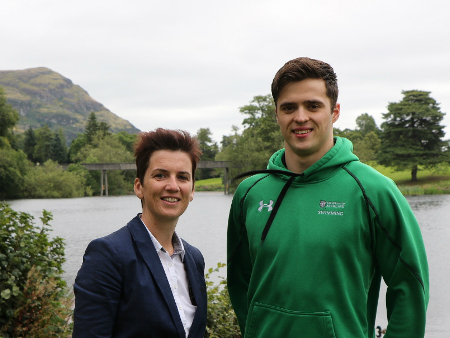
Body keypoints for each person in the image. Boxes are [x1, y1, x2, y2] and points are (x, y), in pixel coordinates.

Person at [227, 57, 429, 338]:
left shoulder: (374, 191)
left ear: (334, 112)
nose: (300, 117)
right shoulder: (250, 193)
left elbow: (409, 286)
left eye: (313, 106)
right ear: (276, 114)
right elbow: (239, 282)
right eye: (288, 107)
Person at [73, 128, 207, 338]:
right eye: (160, 175)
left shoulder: (194, 258)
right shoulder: (108, 255)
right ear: (139, 187)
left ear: (192, 191)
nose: (172, 186)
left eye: (182, 177)